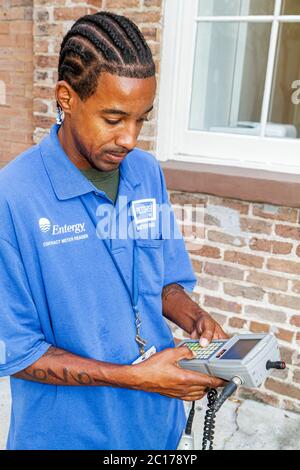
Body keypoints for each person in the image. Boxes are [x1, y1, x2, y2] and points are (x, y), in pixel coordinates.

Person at [0, 11, 227, 450]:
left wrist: (195, 318)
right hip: (67, 436)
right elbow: (17, 351)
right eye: (114, 118)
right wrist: (135, 378)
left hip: (157, 426)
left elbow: (161, 282)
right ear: (66, 98)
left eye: (142, 119)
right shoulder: (13, 196)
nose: (130, 138)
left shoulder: (146, 174)